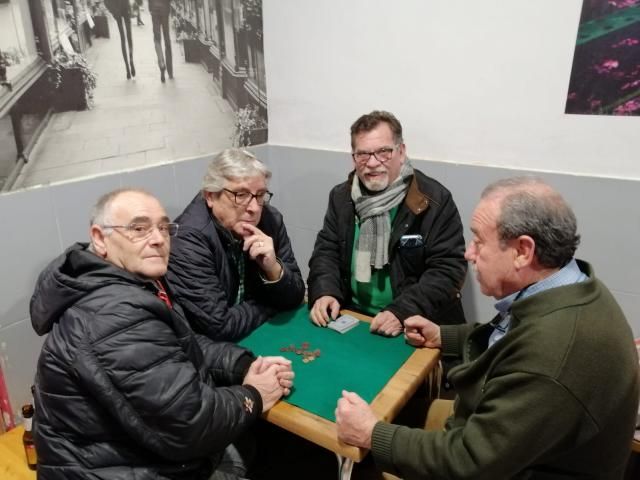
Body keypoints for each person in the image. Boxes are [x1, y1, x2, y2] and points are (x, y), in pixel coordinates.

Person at [335, 177, 640, 479]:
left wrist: (371, 435)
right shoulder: (571, 285)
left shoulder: (551, 354)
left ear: (523, 251)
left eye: (479, 241)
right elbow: (511, 338)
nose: (469, 254)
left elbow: (468, 463)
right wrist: (445, 336)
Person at [30, 188, 294, 480]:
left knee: (257, 443)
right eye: (139, 229)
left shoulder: (131, 283)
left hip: (134, 451)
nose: (158, 239)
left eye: (164, 227)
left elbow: (180, 345)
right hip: (119, 468)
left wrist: (242, 364)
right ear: (99, 238)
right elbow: (191, 425)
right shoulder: (113, 315)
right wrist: (254, 395)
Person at [307, 110, 467, 336]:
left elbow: (448, 270)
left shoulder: (433, 200)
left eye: (383, 152)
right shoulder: (341, 197)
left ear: (401, 152)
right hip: (354, 318)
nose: (372, 163)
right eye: (362, 154)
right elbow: (327, 251)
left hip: (414, 324)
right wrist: (325, 292)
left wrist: (400, 311)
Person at [166, 148, 305, 341]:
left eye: (260, 195)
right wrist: (270, 304)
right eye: (241, 195)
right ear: (210, 196)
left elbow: (296, 296)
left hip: (255, 332)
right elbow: (219, 327)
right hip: (209, 353)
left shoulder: (270, 219)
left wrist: (273, 269)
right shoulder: (187, 240)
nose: (254, 208)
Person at [104, 0, 136, 79]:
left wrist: (113, 11)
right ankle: (129, 64)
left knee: (125, 39)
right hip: (123, 9)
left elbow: (106, 2)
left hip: (120, 9)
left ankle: (128, 66)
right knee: (127, 38)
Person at [148, 0, 172, 82]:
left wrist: (150, 7)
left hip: (154, 8)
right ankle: (170, 70)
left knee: (157, 39)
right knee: (167, 38)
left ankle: (161, 62)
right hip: (165, 8)